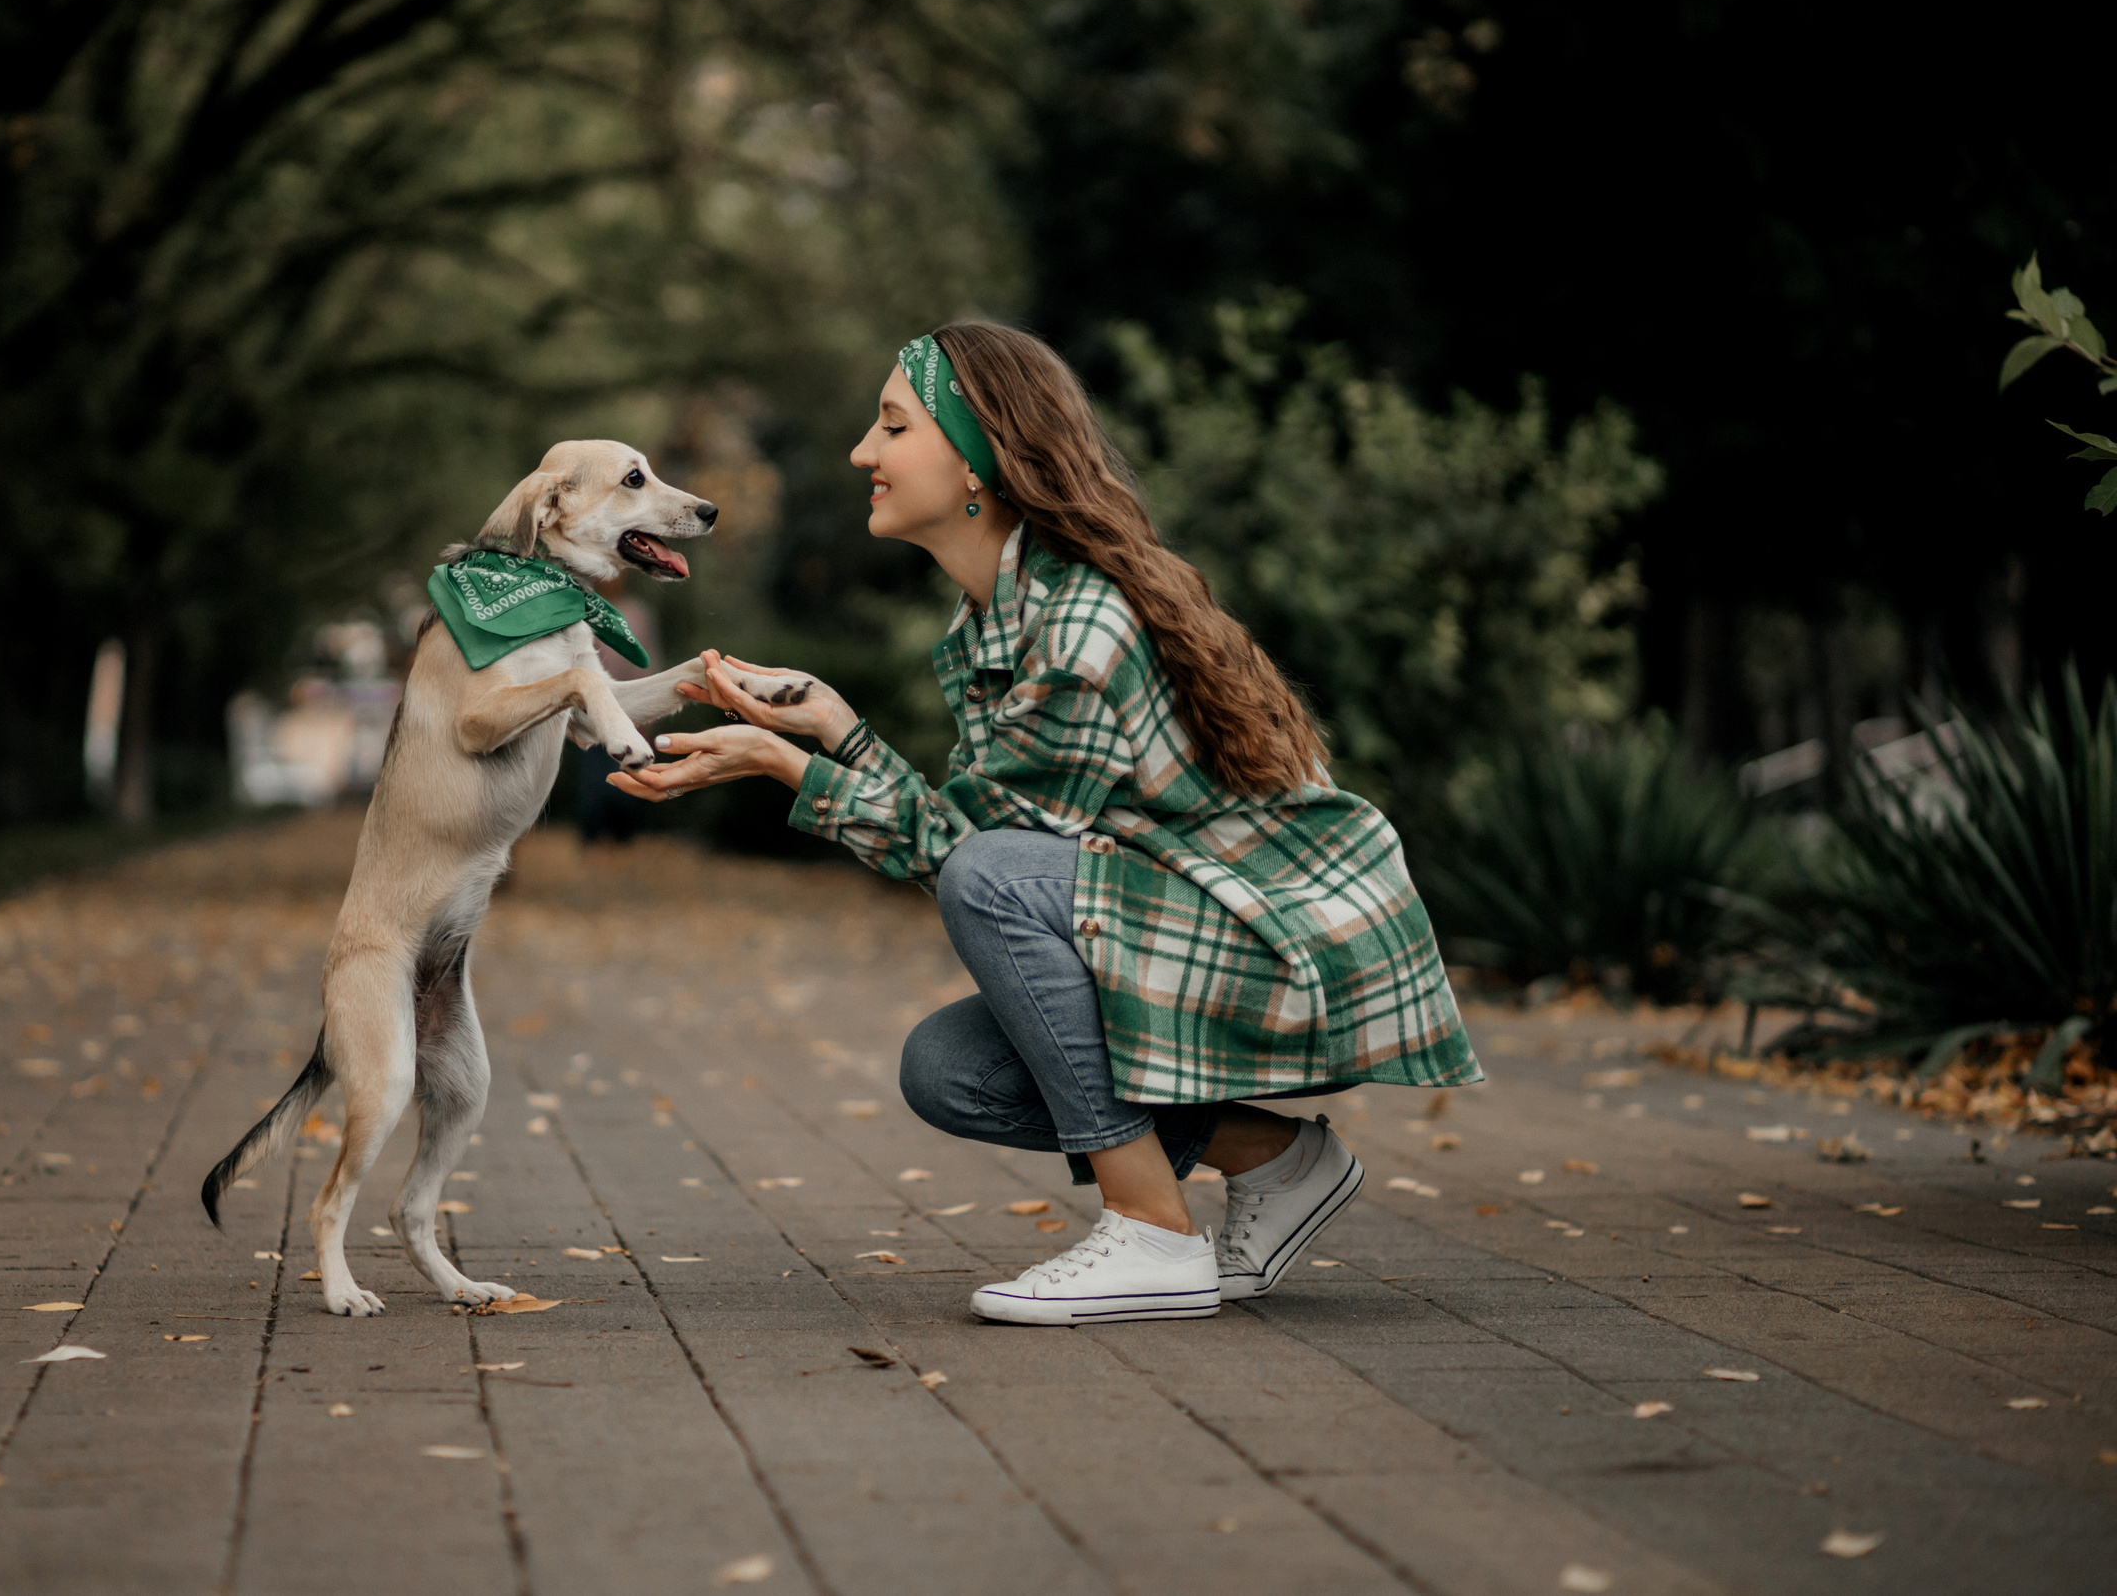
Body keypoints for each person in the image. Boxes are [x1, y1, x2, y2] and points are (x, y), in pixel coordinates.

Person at [608, 321, 1480, 1326]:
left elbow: (976, 865)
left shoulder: (1074, 625)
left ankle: (1152, 1232)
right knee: (951, 1072)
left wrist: (786, 764)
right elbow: (977, 835)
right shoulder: (999, 614)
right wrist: (833, 733)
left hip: (1270, 941)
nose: (862, 452)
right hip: (1186, 927)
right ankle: (1281, 1161)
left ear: (978, 457)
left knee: (990, 879)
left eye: (892, 426)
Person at [573, 576, 662, 845]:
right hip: (591, 709)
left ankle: (624, 837)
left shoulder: (637, 613)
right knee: (594, 776)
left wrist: (650, 704)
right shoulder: (585, 612)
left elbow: (648, 658)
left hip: (630, 706)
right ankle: (592, 836)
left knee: (629, 770)